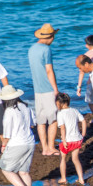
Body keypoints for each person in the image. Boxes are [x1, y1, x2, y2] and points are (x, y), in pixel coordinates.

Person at [0, 85, 36, 186]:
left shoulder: (9, 111)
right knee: (24, 172)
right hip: (30, 142)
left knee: (6, 169)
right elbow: (33, 124)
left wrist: (3, 146)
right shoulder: (25, 106)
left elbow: (7, 134)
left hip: (17, 144)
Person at [28, 23, 60, 155]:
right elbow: (49, 70)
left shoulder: (32, 48)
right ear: (50, 36)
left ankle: (44, 147)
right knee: (53, 119)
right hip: (47, 88)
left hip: (37, 89)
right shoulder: (46, 50)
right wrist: (56, 89)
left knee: (41, 120)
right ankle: (51, 148)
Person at [55, 92, 87, 185]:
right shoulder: (74, 110)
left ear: (59, 103)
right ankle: (81, 178)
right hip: (77, 139)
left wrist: (63, 140)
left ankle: (63, 178)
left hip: (68, 140)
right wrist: (83, 134)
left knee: (62, 158)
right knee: (75, 159)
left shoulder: (60, 113)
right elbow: (83, 121)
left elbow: (63, 128)